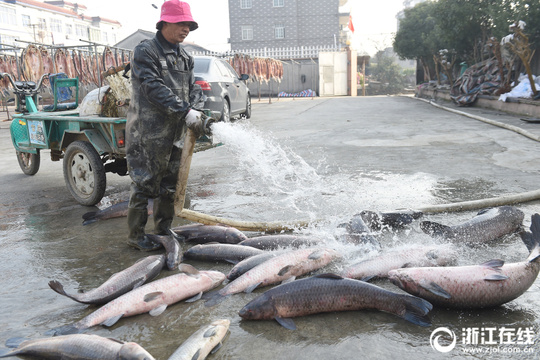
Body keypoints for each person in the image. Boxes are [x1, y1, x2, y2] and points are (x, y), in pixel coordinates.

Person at [125, 0, 207, 251]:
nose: (186, 29)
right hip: (148, 133)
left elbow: (193, 88)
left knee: (170, 184)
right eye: (182, 24)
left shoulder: (185, 57)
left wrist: (196, 107)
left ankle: (162, 229)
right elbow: (152, 87)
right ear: (165, 23)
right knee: (144, 183)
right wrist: (185, 111)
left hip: (175, 132)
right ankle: (136, 235)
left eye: (189, 25)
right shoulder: (145, 51)